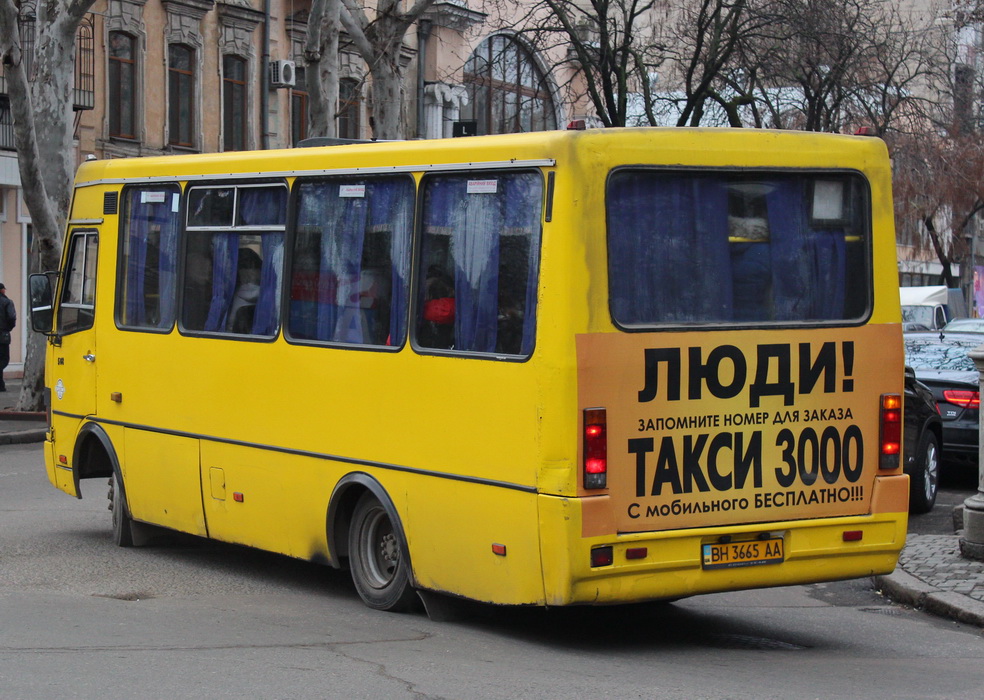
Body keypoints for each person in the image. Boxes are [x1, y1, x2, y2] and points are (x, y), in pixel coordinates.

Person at [0, 283, 16, 393]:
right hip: (2, 336)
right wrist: (8, 329)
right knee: (3, 359)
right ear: (2, 290)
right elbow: (11, 317)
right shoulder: (7, 302)